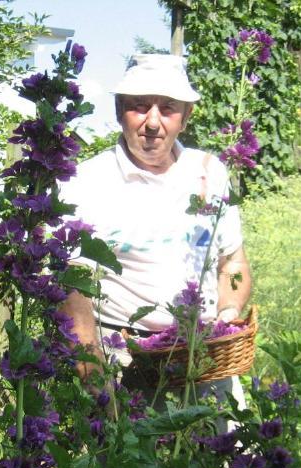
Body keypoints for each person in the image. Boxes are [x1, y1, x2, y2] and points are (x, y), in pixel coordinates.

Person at [60, 53, 252, 408]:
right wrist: (92, 368)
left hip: (204, 359)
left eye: (167, 108)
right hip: (124, 360)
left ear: (186, 116)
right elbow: (72, 281)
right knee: (121, 463)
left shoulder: (210, 172)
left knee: (219, 460)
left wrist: (226, 320)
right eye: (138, 107)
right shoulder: (87, 181)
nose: (153, 122)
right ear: (119, 112)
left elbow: (233, 264)